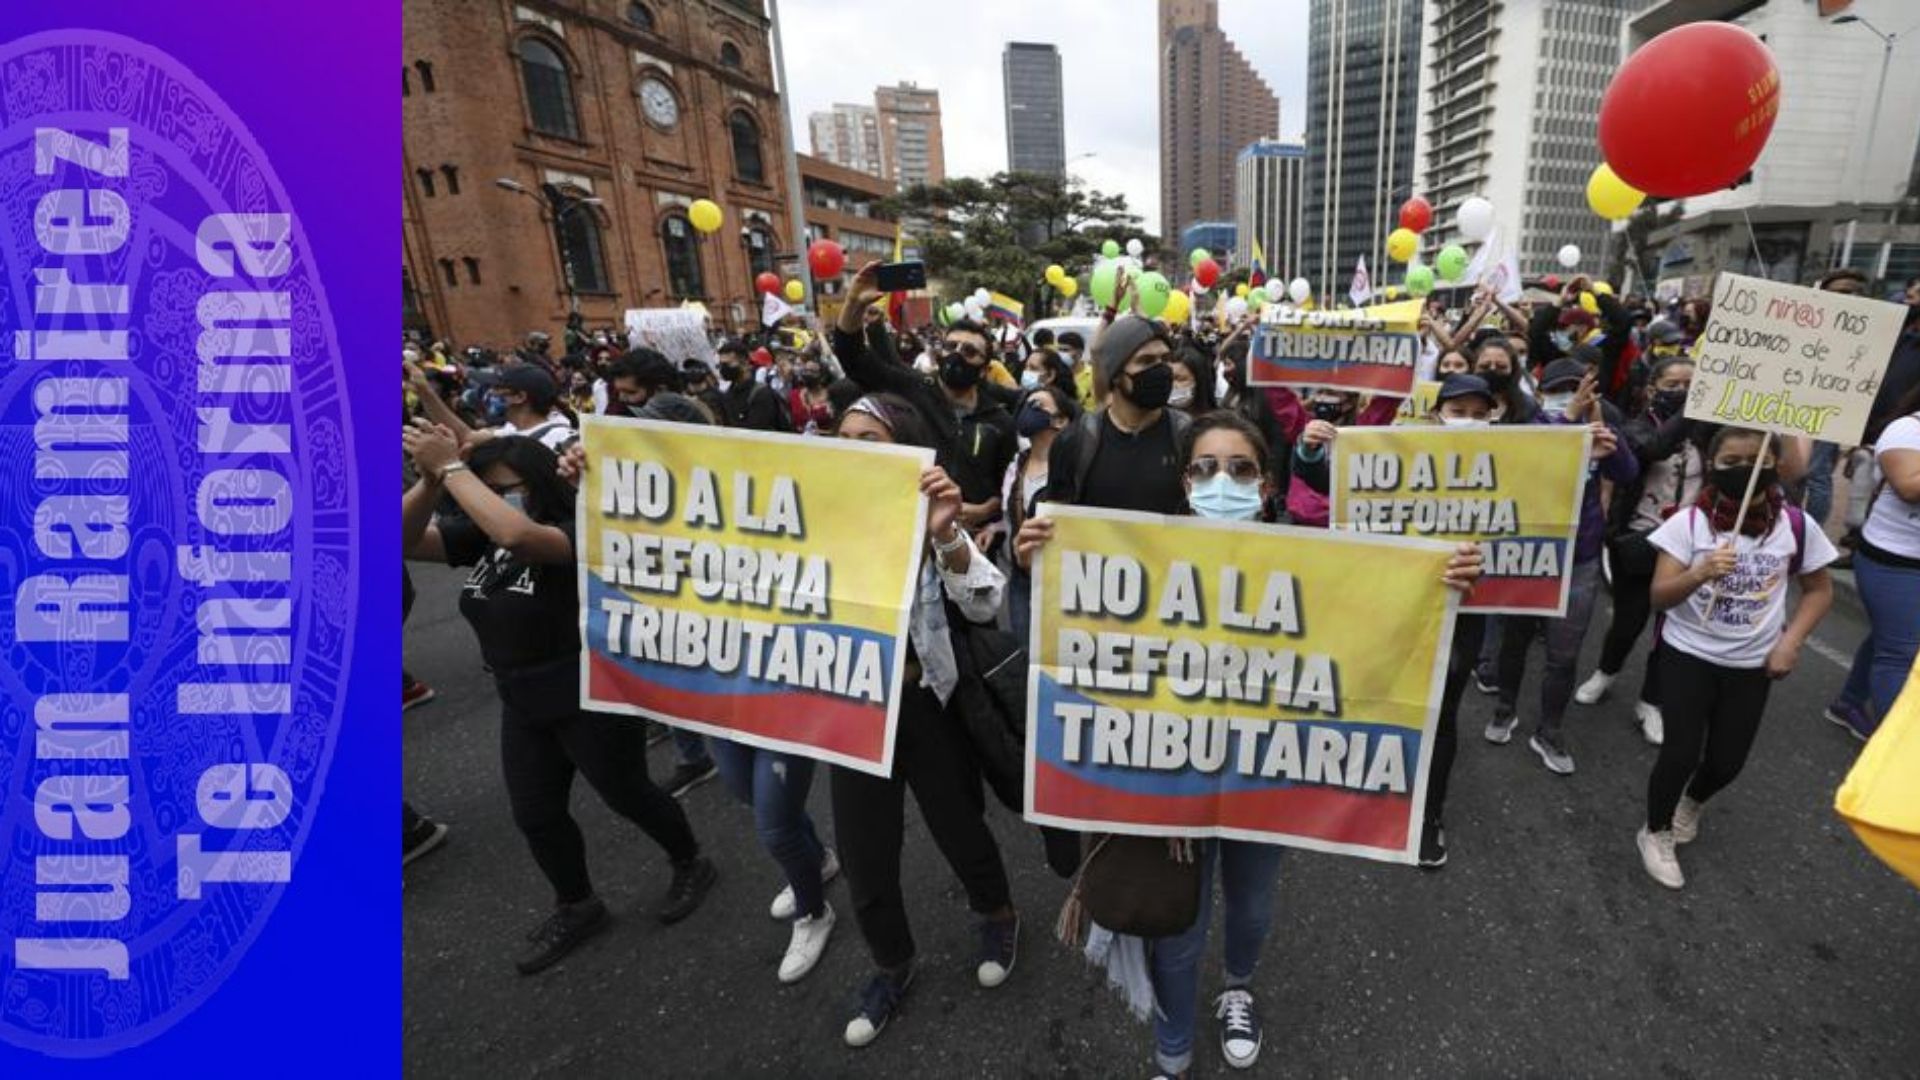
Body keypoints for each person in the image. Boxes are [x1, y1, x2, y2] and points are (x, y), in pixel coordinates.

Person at [1015, 411, 1479, 1075]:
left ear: (1266, 486)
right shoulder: (1139, 554)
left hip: (1267, 778)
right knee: (1179, 924)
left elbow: (1381, 621)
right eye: (1204, 468)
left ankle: (1237, 987)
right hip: (1173, 779)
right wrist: (1039, 560)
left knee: (1253, 904)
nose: (1221, 482)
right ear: (1184, 482)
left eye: (1239, 469)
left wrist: (1443, 581)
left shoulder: (1316, 561)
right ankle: (1171, 1047)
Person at [401, 424, 716, 973]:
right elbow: (398, 541)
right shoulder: (481, 536)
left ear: (540, 483)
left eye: (509, 488)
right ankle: (577, 902)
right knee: (535, 813)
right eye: (488, 490)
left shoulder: (582, 529)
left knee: (628, 793)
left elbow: (521, 538)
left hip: (587, 691)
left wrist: (453, 470)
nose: (496, 501)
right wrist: (431, 481)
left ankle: (690, 860)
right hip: (520, 698)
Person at [830, 268, 1022, 1047]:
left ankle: (997, 915)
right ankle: (890, 963)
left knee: (958, 826)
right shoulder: (809, 522)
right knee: (866, 859)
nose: (851, 454)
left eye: (868, 443)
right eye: (840, 443)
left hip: (926, 702)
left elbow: (986, 604)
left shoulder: (929, 516)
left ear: (904, 451)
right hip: (844, 709)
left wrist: (947, 532)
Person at [1284, 373, 1495, 867]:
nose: (1466, 421)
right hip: (1390, 605)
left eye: (1478, 412)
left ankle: (1427, 818)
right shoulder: (1399, 451)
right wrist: (1311, 451)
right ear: (1437, 412)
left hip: (1464, 610)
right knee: (1378, 694)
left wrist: (1582, 456)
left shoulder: (1510, 463)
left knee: (1440, 715)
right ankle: (1365, 794)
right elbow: (1328, 480)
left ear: (1495, 417)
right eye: (1457, 410)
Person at [1637, 426, 1836, 889]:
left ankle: (1693, 803)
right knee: (1680, 752)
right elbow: (1659, 597)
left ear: (1776, 466)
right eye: (1729, 463)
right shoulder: (1688, 524)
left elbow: (1820, 590)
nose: (1743, 470)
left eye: (1756, 460)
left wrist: (1791, 641)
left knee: (1727, 762)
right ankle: (1656, 830)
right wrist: (1699, 572)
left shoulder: (1797, 526)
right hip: (1689, 655)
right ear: (1711, 465)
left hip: (1752, 664)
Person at [1484, 359, 1637, 775]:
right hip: (1527, 554)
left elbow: (1626, 471)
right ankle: (1504, 709)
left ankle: (1549, 730)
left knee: (1563, 654)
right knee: (1515, 639)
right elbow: (1521, 468)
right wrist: (1568, 423)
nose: (1573, 395)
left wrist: (1602, 427)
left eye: (1580, 388)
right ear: (1542, 391)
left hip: (1579, 560)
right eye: (1563, 389)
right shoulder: (1527, 422)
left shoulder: (1596, 426)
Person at [1576, 356, 1705, 744]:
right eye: (1673, 385)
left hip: (1690, 546)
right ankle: (1606, 673)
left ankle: (1651, 701)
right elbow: (1654, 448)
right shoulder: (1633, 427)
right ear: (1652, 390)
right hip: (1638, 538)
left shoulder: (1709, 433)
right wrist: (1693, 406)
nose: (1682, 392)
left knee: (1672, 630)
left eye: (1691, 385)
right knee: (1629, 620)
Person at [1824, 384, 1920, 741]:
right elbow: (1909, 486)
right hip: (1894, 561)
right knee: (1900, 653)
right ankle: (1896, 746)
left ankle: (1848, 703)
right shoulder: (1907, 430)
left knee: (1890, 637)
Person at [999, 384, 1079, 645]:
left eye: (1037, 406)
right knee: (1026, 650)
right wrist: (998, 528)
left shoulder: (1077, 466)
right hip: (1021, 580)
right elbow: (1010, 512)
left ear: (1060, 420)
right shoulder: (1017, 464)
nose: (1027, 412)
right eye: (1026, 406)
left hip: (1062, 582)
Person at [715, 340, 792, 432]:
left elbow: (757, 432)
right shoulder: (728, 395)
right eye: (721, 365)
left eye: (727, 364)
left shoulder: (762, 394)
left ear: (745, 363)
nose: (724, 369)